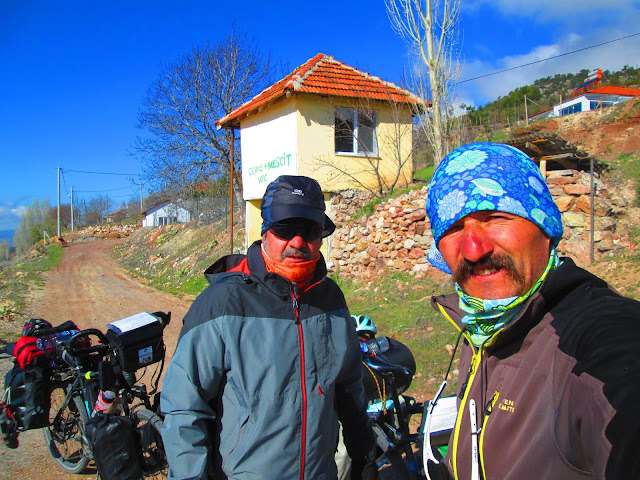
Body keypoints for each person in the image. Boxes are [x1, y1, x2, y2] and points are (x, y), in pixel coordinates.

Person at [424, 142, 640, 480]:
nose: (473, 250)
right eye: (452, 228)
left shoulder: (595, 337)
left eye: (496, 217)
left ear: (544, 224)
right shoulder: (481, 325)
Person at [161, 175, 378, 480]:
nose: (298, 242)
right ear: (265, 232)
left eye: (310, 231)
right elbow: (184, 407)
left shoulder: (331, 299)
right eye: (285, 229)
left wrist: (364, 454)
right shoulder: (223, 304)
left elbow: (349, 388)